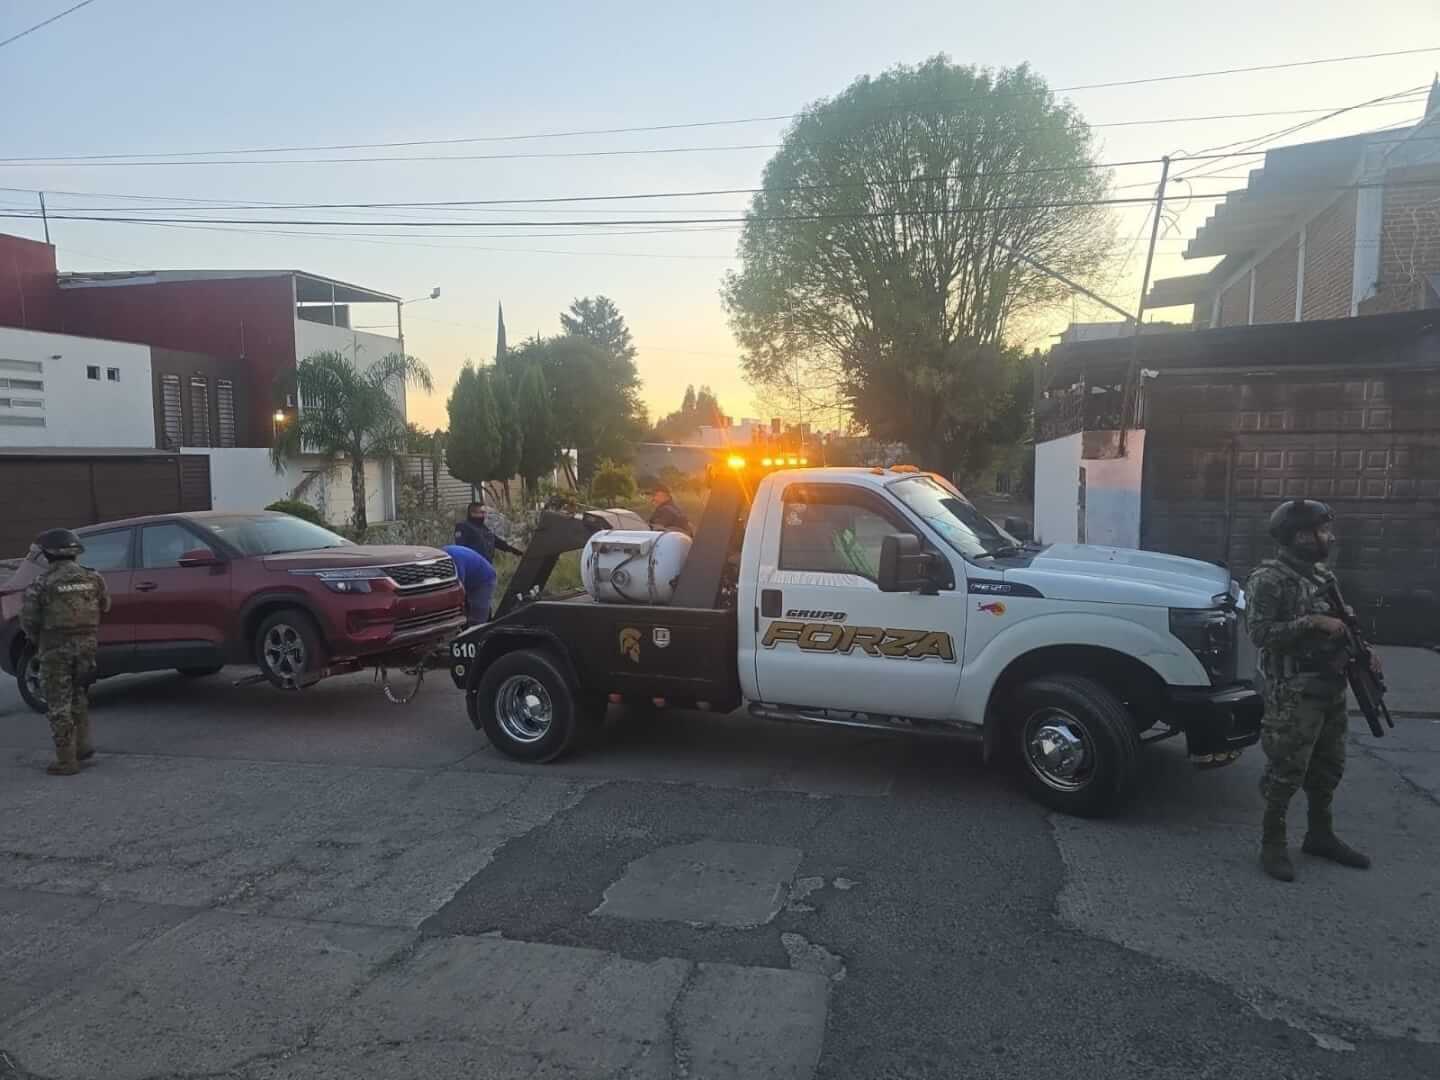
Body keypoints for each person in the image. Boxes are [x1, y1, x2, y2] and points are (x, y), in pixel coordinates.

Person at [1244, 499, 1377, 882]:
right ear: (1299, 536)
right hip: (1293, 691)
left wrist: (1366, 653)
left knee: (1328, 767)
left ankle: (1320, 835)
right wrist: (1312, 622)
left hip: (1330, 686)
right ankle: (1272, 844)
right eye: (1321, 530)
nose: (1328, 537)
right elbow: (1260, 634)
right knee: (1286, 770)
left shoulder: (1321, 575)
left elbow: (1344, 621)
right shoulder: (1268, 579)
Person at [19, 528, 110, 776]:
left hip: (55, 649)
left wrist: (36, 641)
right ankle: (83, 746)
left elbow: (29, 621)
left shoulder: (41, 583)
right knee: (78, 693)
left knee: (58, 702)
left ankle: (66, 761)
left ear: (48, 554)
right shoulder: (93, 577)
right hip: (87, 646)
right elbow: (105, 605)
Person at [443, 544, 498, 625]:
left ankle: (479, 631)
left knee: (478, 617)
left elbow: (459, 590)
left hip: (484, 579)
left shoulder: (456, 562)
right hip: (471, 575)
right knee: (468, 607)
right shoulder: (441, 557)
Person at [453, 501, 524, 563]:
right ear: (472, 513)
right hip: (473, 565)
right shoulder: (463, 527)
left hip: (486, 564)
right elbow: (461, 549)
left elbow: (497, 542)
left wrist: (514, 551)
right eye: (482, 513)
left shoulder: (484, 527)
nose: (484, 515)